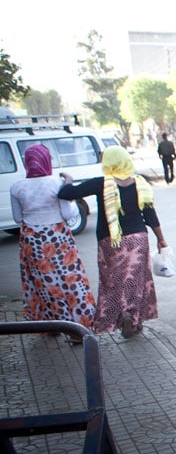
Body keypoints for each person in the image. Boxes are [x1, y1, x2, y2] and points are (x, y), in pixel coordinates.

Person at [58, 146, 168, 338]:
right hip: (138, 240)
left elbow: (67, 193)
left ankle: (122, 315)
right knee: (136, 281)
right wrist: (161, 239)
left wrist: (67, 180)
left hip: (111, 241)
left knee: (113, 282)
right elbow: (150, 215)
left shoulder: (101, 184)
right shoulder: (140, 184)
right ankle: (134, 319)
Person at [11, 145, 96, 344]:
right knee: (69, 281)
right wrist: (69, 184)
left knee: (42, 283)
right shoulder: (55, 183)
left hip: (32, 240)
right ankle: (77, 328)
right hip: (57, 239)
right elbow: (68, 213)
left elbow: (17, 218)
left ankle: (50, 325)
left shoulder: (17, 187)